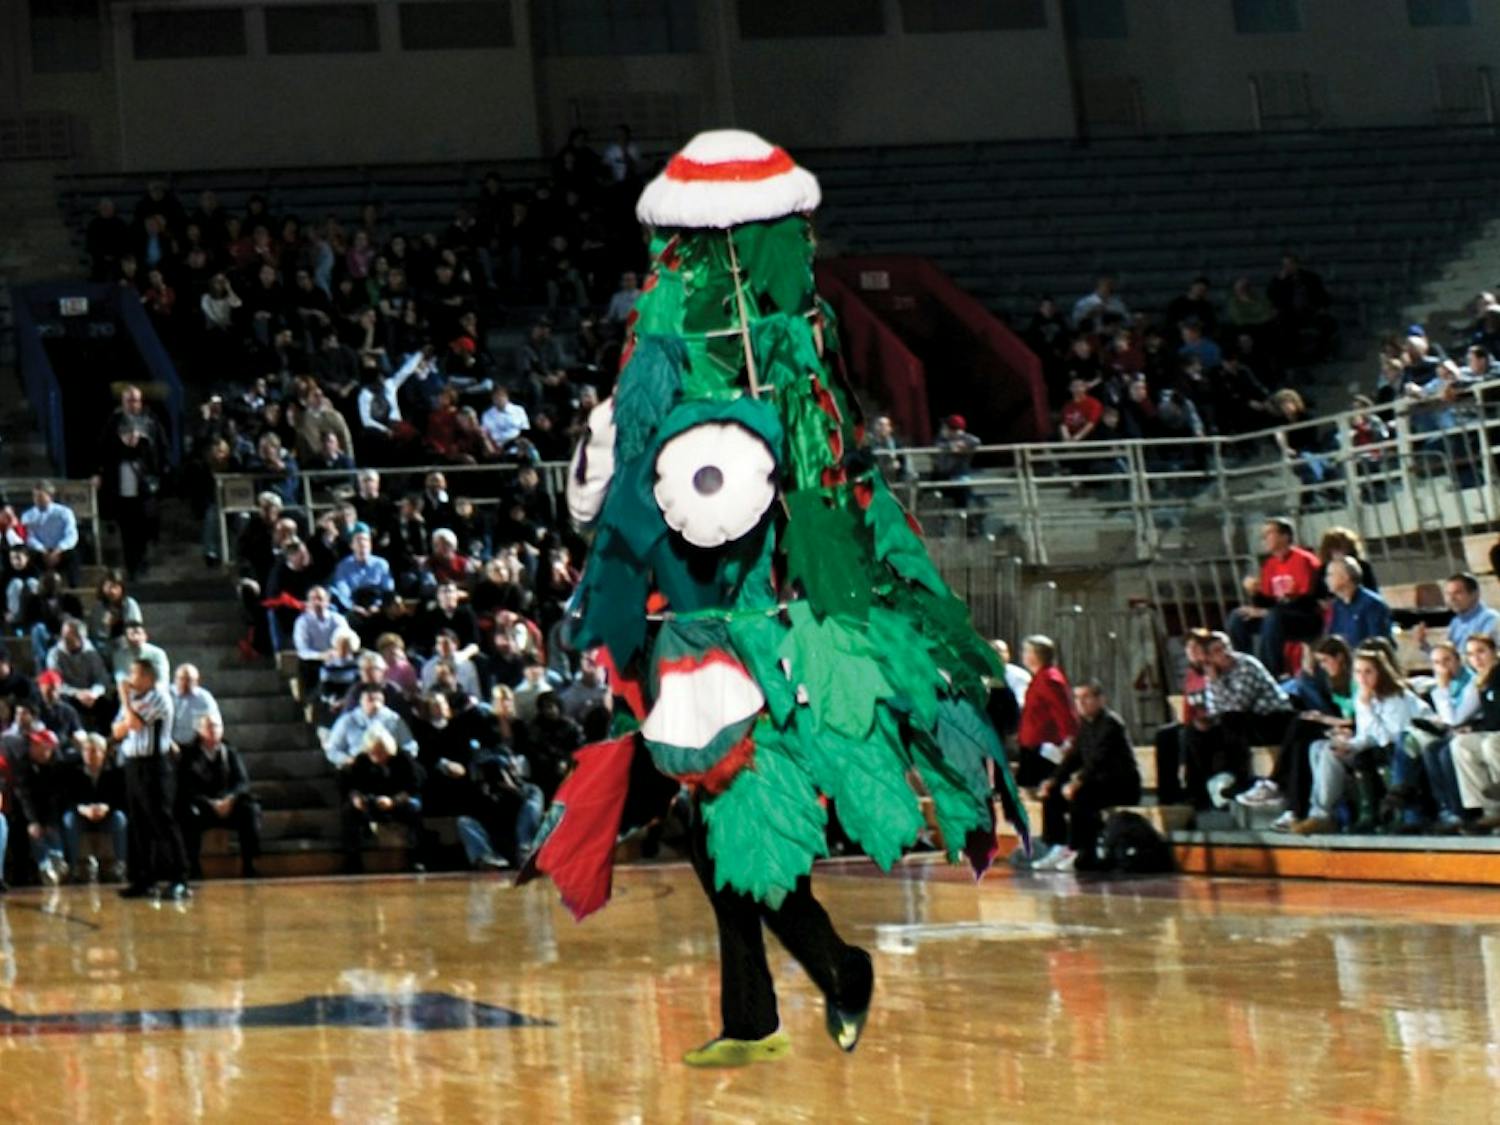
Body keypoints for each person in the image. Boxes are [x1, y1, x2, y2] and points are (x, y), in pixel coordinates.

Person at [1290, 648, 1430, 834]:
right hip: (1375, 745)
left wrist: (1367, 709)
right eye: (1358, 672)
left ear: (1380, 672)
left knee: (1336, 755)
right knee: (1320, 747)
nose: (1362, 678)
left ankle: (1322, 815)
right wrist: (1349, 745)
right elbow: (1365, 735)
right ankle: (1318, 813)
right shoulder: (1363, 696)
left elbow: (1389, 739)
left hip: (1402, 748)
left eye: (1368, 672)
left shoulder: (1396, 696)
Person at [1031, 681, 1142, 872]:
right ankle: (1058, 846)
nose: (1081, 703)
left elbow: (1099, 759)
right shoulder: (1084, 726)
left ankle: (1080, 851)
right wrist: (1053, 780)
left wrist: (1078, 781)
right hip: (1096, 783)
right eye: (1077, 698)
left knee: (1081, 795)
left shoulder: (1111, 724)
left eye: (1086, 697)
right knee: (1053, 794)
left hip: (1121, 785)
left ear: (1100, 700)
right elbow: (1073, 758)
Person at [1185, 632, 1295, 809]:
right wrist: (1207, 722)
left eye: (1226, 647)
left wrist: (1215, 682)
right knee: (1194, 732)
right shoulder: (1212, 673)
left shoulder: (1245, 665)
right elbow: (1215, 708)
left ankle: (1241, 778)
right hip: (1242, 721)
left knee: (1231, 720)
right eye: (1217, 651)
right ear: (1210, 657)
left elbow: (1239, 705)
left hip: (1273, 719)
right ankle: (1200, 793)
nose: (1225, 653)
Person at [112, 657, 189, 900]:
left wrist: (124, 699)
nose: (130, 680)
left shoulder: (159, 697)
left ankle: (179, 878)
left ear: (147, 677)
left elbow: (132, 724)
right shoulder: (134, 700)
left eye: (134, 674)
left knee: (162, 821)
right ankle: (143, 878)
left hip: (155, 766)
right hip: (133, 765)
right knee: (138, 823)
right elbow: (116, 731)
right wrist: (127, 708)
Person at [1228, 518, 1324, 675]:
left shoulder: (1304, 560)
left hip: (1305, 616)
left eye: (1269, 533)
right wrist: (1255, 593)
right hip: (1278, 615)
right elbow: (1267, 601)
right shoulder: (1270, 564)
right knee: (1237, 616)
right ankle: (1243, 667)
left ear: (1285, 536)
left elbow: (1307, 599)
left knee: (1273, 617)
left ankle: (1268, 672)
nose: (1264, 538)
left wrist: (1267, 612)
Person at [179, 714, 261, 879]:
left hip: (229, 805)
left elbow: (242, 782)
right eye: (209, 727)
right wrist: (210, 803)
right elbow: (186, 787)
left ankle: (249, 864)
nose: (213, 730)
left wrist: (230, 799)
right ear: (200, 731)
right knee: (187, 813)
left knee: (251, 810)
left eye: (216, 726)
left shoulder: (229, 752)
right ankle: (193, 867)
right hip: (203, 807)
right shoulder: (189, 755)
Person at [342, 727, 425, 873]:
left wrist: (393, 801)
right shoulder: (362, 760)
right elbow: (352, 786)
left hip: (398, 800)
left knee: (414, 809)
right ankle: (353, 858)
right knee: (349, 811)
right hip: (371, 802)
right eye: (374, 752)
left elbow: (413, 786)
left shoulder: (403, 758)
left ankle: (416, 857)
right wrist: (357, 799)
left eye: (381, 752)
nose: (378, 756)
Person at [62, 732, 128, 882]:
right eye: (85, 750)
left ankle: (120, 865)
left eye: (93, 751)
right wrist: (82, 809)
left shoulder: (115, 772)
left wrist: (107, 808)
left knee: (120, 819)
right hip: (82, 815)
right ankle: (74, 867)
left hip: (106, 815)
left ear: (103, 753)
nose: (88, 755)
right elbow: (66, 798)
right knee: (69, 820)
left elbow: (122, 798)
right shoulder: (73, 771)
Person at [1450, 635, 1500, 833]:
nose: (1476, 658)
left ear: (1494, 651)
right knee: (1461, 744)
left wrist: (1477, 726)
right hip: (1493, 731)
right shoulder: (1483, 680)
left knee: (1491, 744)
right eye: (1470, 654)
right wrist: (1473, 727)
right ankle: (1488, 810)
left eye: (1481, 651)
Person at [1015, 635, 1077, 788]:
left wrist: (1068, 740)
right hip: (1031, 744)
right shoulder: (1039, 677)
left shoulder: (1049, 678)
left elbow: (1063, 712)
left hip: (1043, 746)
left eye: (1027, 651)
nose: (1023, 655)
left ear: (1036, 655)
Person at [17, 728, 69, 885]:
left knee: (54, 829)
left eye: (38, 744)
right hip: (27, 812)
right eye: (33, 744)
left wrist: (49, 822)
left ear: (49, 749)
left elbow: (59, 798)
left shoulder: (59, 767)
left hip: (52, 812)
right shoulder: (24, 764)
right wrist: (33, 821)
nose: (33, 747)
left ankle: (57, 860)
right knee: (34, 832)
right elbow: (23, 796)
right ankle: (46, 867)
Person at [325, 684, 418, 771]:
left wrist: (398, 760)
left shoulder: (394, 719)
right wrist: (348, 760)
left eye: (378, 700)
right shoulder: (347, 721)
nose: (375, 704)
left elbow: (410, 746)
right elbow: (333, 750)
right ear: (361, 701)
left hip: (390, 768)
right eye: (370, 700)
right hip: (358, 768)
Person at [20, 481, 81, 588]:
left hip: (60, 551)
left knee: (73, 554)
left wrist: (58, 550)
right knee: (28, 555)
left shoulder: (64, 512)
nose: (37, 500)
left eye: (40, 496)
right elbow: (29, 537)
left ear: (50, 496)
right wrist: (43, 550)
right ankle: (34, 586)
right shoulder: (27, 515)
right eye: (35, 496)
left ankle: (74, 588)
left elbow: (72, 535)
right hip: (40, 552)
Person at [1325, 558, 1391, 648]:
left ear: (1346, 576)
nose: (1326, 579)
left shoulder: (1372, 604)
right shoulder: (1337, 606)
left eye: (1330, 575)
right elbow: (1333, 640)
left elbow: (1378, 643)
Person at [168, 663, 221, 751]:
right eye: (181, 679)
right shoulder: (166, 695)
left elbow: (215, 722)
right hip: (169, 744)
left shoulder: (205, 698)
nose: (185, 683)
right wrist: (169, 743)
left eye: (189, 680)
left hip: (196, 746)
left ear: (197, 681)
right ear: (175, 679)